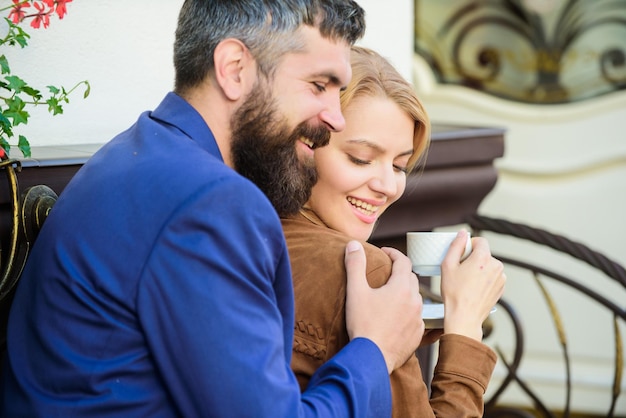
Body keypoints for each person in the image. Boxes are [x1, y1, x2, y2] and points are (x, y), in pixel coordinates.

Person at [0, 2, 427, 417]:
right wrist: (375, 349)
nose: (335, 118)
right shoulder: (209, 202)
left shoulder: (143, 149)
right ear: (234, 69)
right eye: (319, 85)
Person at [282, 46, 507, 417]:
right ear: (303, 145)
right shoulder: (364, 272)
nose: (388, 186)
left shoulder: (243, 228)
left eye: (400, 165)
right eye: (360, 159)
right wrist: (466, 329)